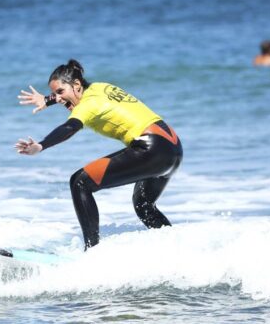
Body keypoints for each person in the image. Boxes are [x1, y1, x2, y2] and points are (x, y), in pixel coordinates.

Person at [15, 59, 183, 250]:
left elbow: (70, 126)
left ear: (77, 85)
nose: (58, 98)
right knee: (143, 205)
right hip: (172, 148)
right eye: (55, 94)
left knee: (79, 182)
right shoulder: (100, 87)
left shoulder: (87, 105)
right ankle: (175, 250)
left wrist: (40, 146)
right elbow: (69, 95)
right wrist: (47, 100)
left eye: (60, 92)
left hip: (151, 147)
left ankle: (91, 252)